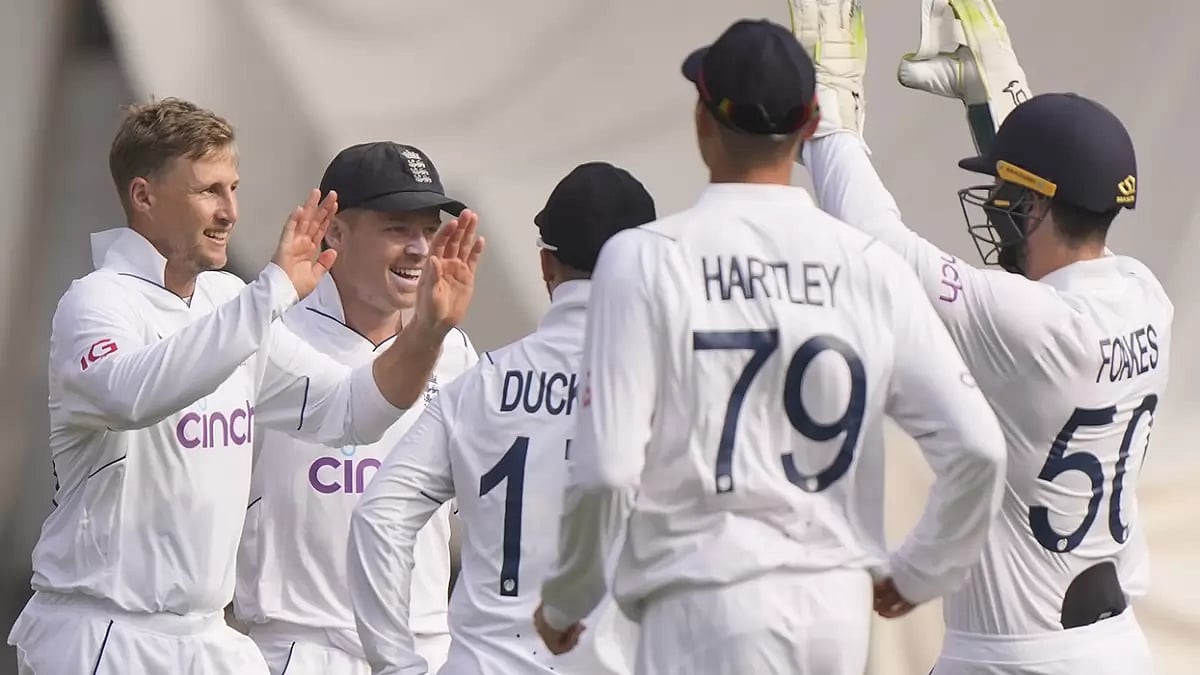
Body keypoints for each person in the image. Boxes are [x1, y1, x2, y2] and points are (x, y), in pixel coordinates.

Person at [532, 18, 1008, 675]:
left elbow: (609, 470)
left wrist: (566, 600)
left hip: (703, 601)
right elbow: (977, 445)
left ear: (702, 121)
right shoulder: (870, 263)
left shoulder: (643, 260)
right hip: (836, 609)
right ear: (811, 125)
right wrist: (919, 571)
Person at [6, 98, 483, 674]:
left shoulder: (230, 302)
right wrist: (271, 292)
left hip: (210, 641)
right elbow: (133, 396)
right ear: (144, 197)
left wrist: (428, 332)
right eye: (209, 190)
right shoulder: (96, 302)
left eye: (234, 189)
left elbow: (353, 411)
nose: (231, 211)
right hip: (104, 633)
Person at [791, 2, 1169, 673]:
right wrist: (1001, 91)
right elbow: (1067, 175)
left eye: (1007, 197)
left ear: (1038, 204)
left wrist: (831, 121)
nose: (998, 211)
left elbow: (879, 244)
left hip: (1014, 657)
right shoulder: (1147, 300)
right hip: (1118, 649)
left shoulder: (1028, 326)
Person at [346, 161, 652, 675]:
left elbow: (378, 519)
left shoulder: (477, 385)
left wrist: (398, 667)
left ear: (546, 265)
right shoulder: (670, 385)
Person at [234, 142, 476, 675]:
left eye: (428, 229)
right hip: (301, 648)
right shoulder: (270, 335)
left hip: (428, 646)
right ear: (336, 233)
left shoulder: (454, 351)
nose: (419, 248)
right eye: (396, 229)